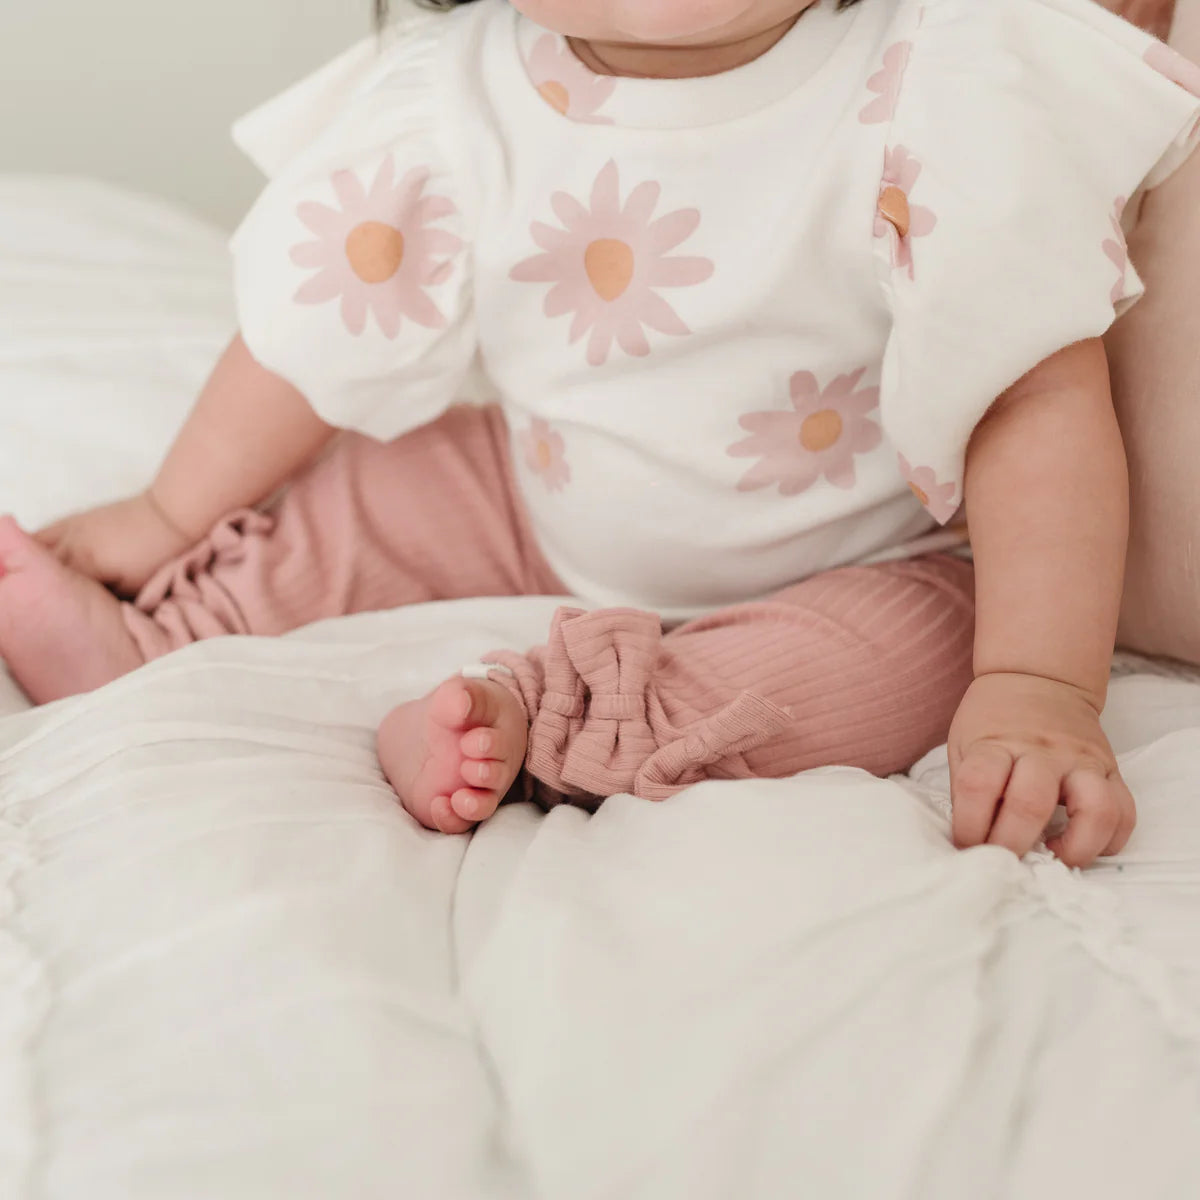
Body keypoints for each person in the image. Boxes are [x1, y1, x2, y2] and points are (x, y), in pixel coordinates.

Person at [2, 0, 1197, 861]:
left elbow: (1031, 395)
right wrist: (167, 509)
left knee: (891, 669)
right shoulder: (456, 94)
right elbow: (312, 339)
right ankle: (156, 638)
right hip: (543, 487)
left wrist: (1040, 683)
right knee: (371, 491)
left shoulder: (938, 79)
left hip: (874, 552)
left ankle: (536, 724)